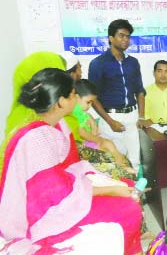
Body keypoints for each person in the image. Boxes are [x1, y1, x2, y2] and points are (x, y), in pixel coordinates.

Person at [0, 68, 143, 254]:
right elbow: (56, 195)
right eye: (74, 95)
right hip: (47, 214)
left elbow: (71, 169)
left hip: (69, 191)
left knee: (127, 184)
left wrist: (111, 185)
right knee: (128, 207)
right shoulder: (36, 140)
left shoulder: (58, 123)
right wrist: (112, 189)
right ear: (61, 101)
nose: (76, 99)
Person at [88, 19, 148, 170]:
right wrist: (109, 121)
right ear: (110, 38)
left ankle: (135, 193)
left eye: (128, 36)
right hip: (111, 117)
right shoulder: (98, 63)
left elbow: (140, 91)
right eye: (121, 35)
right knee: (116, 160)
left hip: (132, 116)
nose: (125, 40)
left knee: (135, 159)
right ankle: (121, 192)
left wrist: (141, 116)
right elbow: (93, 98)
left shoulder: (133, 62)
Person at [65, 79, 135, 180]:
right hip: (82, 145)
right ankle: (122, 168)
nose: (89, 106)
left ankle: (123, 167)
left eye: (91, 103)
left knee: (110, 145)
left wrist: (94, 128)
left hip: (87, 141)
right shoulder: (75, 112)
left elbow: (93, 130)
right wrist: (99, 140)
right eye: (88, 102)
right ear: (76, 97)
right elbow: (82, 133)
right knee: (107, 147)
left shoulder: (82, 112)